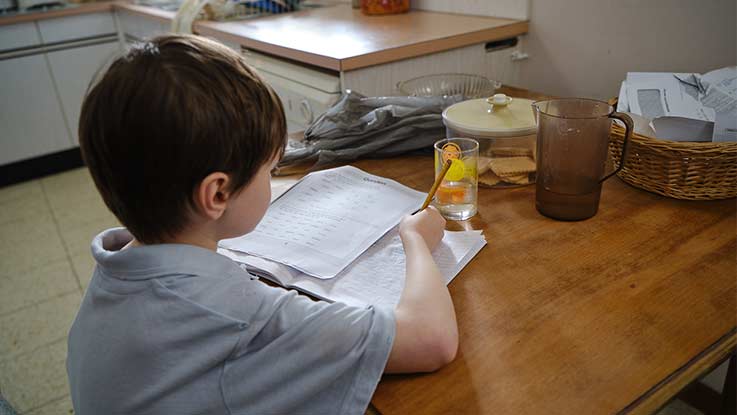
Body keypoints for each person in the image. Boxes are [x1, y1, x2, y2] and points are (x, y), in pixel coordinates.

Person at [67, 34, 458, 415]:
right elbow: (431, 339)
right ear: (217, 194)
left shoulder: (113, 271)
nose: (272, 180)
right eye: (269, 171)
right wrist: (415, 241)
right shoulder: (236, 314)